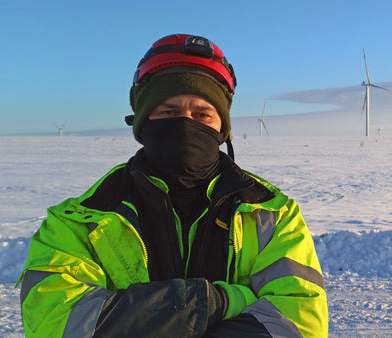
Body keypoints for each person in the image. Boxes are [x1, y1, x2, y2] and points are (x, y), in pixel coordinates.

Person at [19, 34, 328, 337]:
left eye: (202, 114)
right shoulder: (78, 221)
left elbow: (300, 324)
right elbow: (55, 322)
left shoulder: (273, 214)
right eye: (168, 112)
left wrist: (140, 317)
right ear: (142, 121)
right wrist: (218, 302)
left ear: (223, 127)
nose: (185, 123)